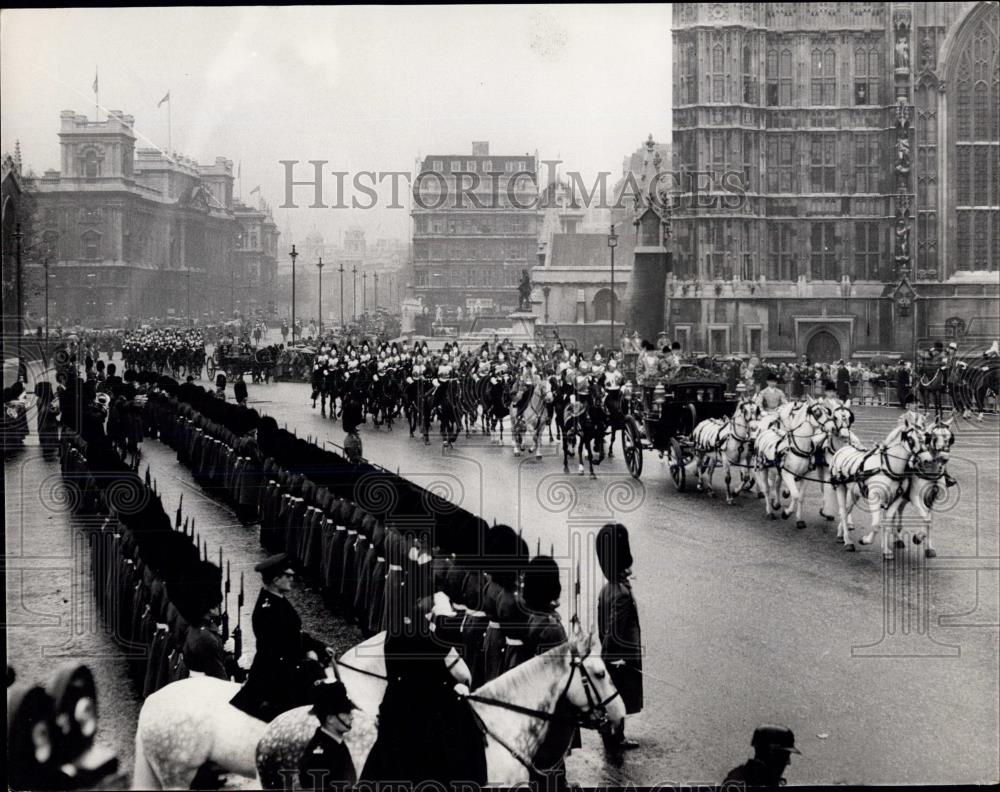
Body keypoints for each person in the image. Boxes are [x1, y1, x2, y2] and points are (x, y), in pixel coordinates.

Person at [229, 554, 331, 722]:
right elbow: (280, 646)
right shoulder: (267, 609)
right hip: (275, 671)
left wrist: (319, 647)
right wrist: (309, 656)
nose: (292, 578)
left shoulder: (278, 600)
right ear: (276, 580)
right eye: (288, 576)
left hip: (285, 663)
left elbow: (295, 633)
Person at [596, 523, 642, 757]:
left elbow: (603, 626)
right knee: (619, 697)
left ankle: (611, 735)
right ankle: (616, 737)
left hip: (613, 654)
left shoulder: (608, 589)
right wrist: (610, 658)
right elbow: (614, 631)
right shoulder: (622, 594)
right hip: (620, 657)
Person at [298, 681, 358, 792]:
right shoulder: (318, 756)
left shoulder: (337, 743)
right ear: (330, 718)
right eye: (346, 713)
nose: (351, 717)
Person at [724, 724, 801, 787]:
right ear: (771, 754)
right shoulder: (739, 781)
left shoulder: (769, 781)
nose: (788, 762)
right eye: (785, 756)